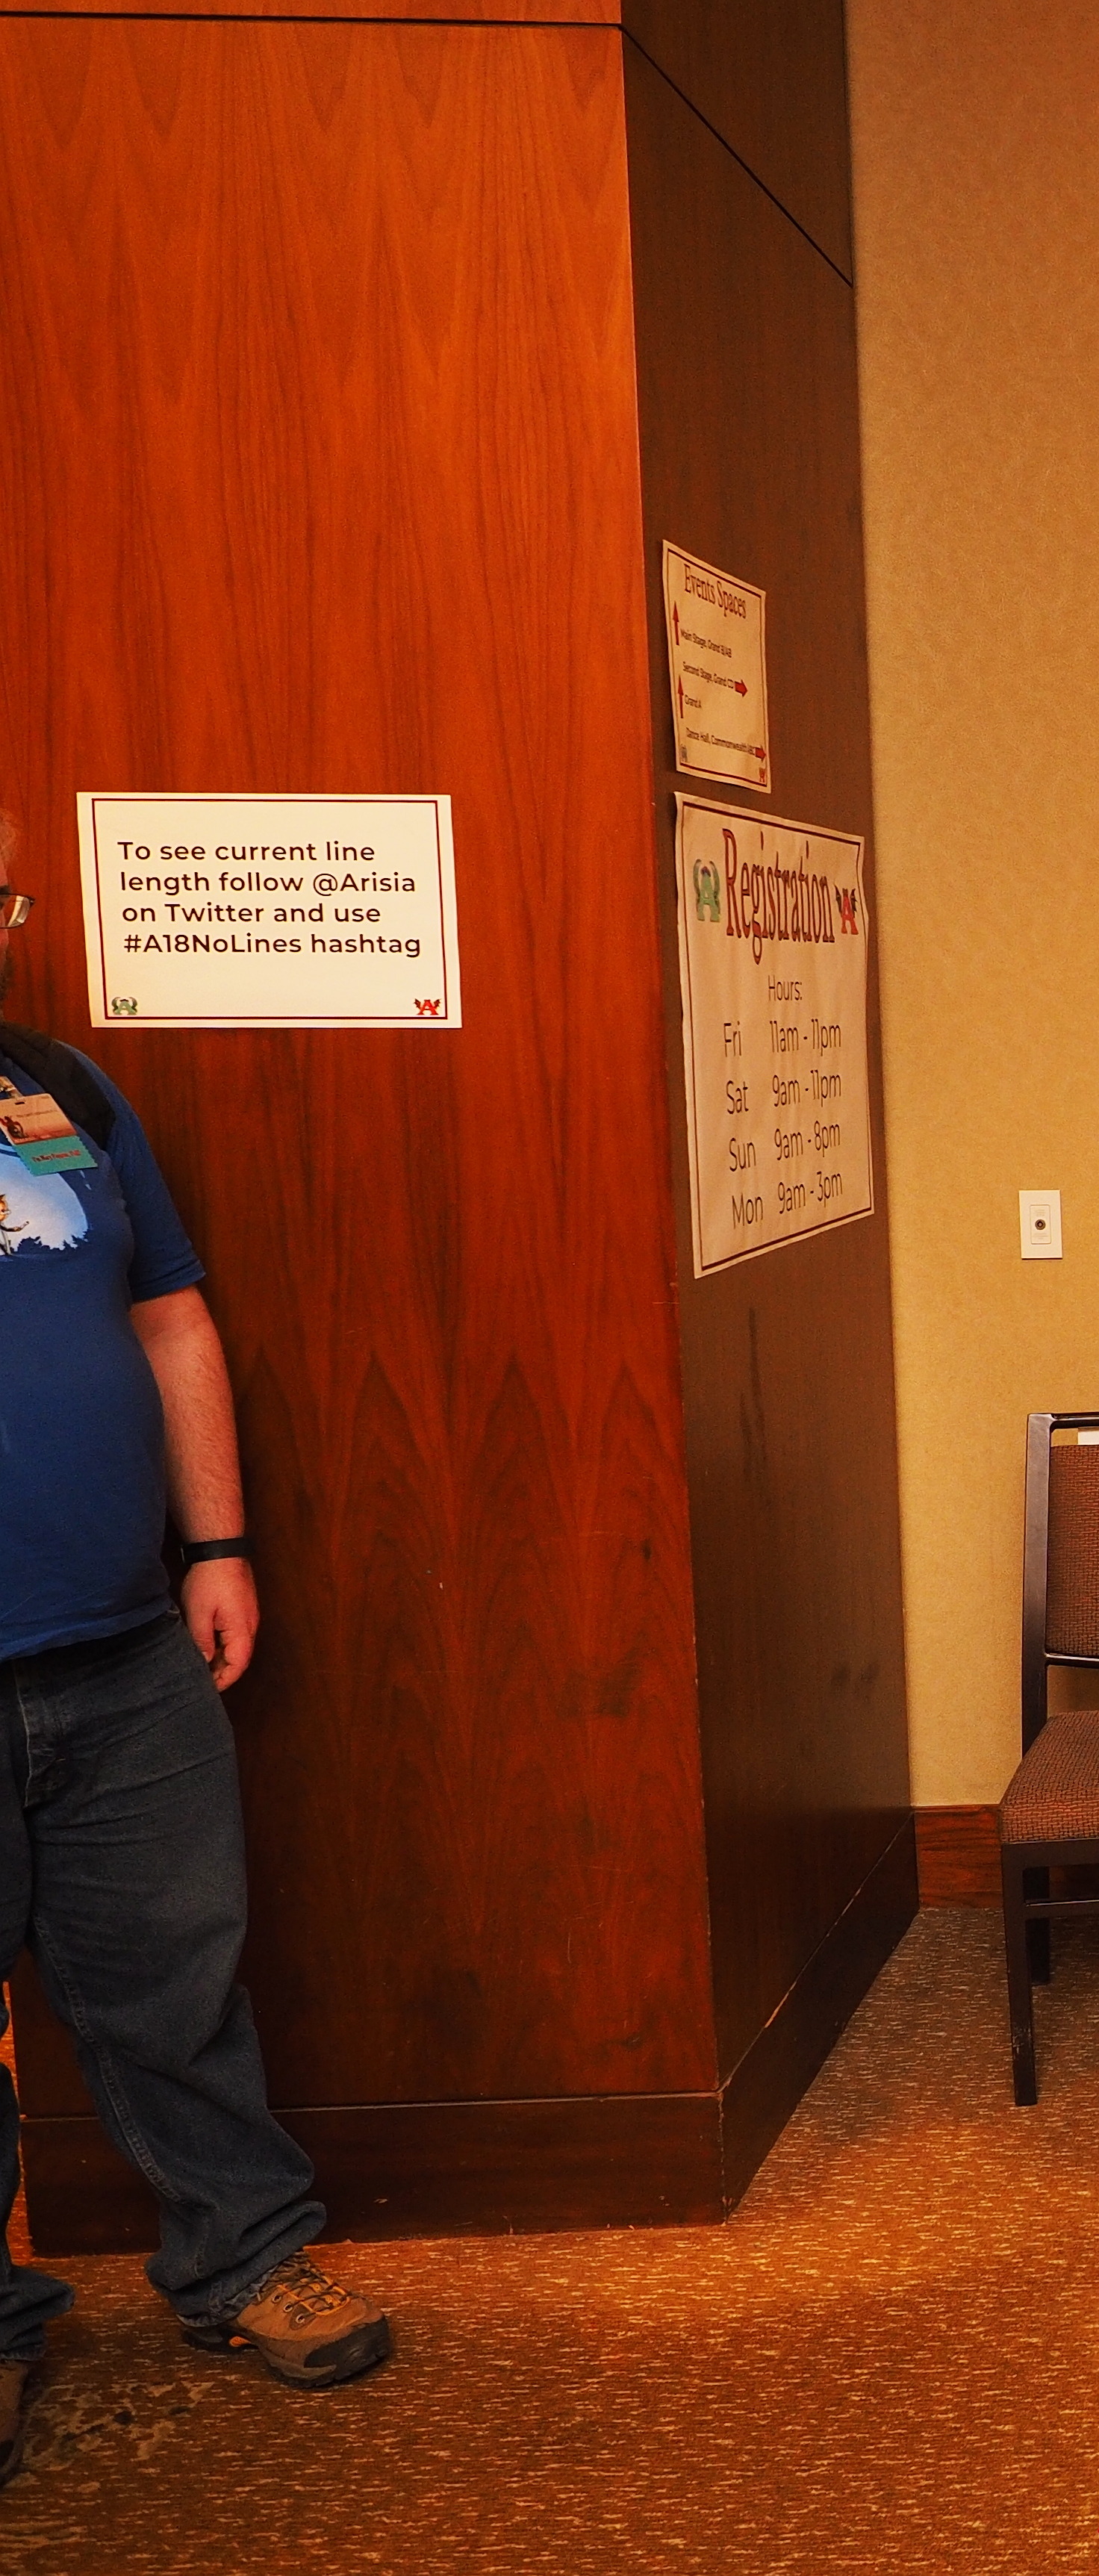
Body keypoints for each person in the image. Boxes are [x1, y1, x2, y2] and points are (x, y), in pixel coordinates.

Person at [0, 817, 393, 2484]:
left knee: (178, 1976)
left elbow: (166, 1312)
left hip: (122, 1640)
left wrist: (215, 1543)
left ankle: (242, 2259)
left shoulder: (59, 1089)